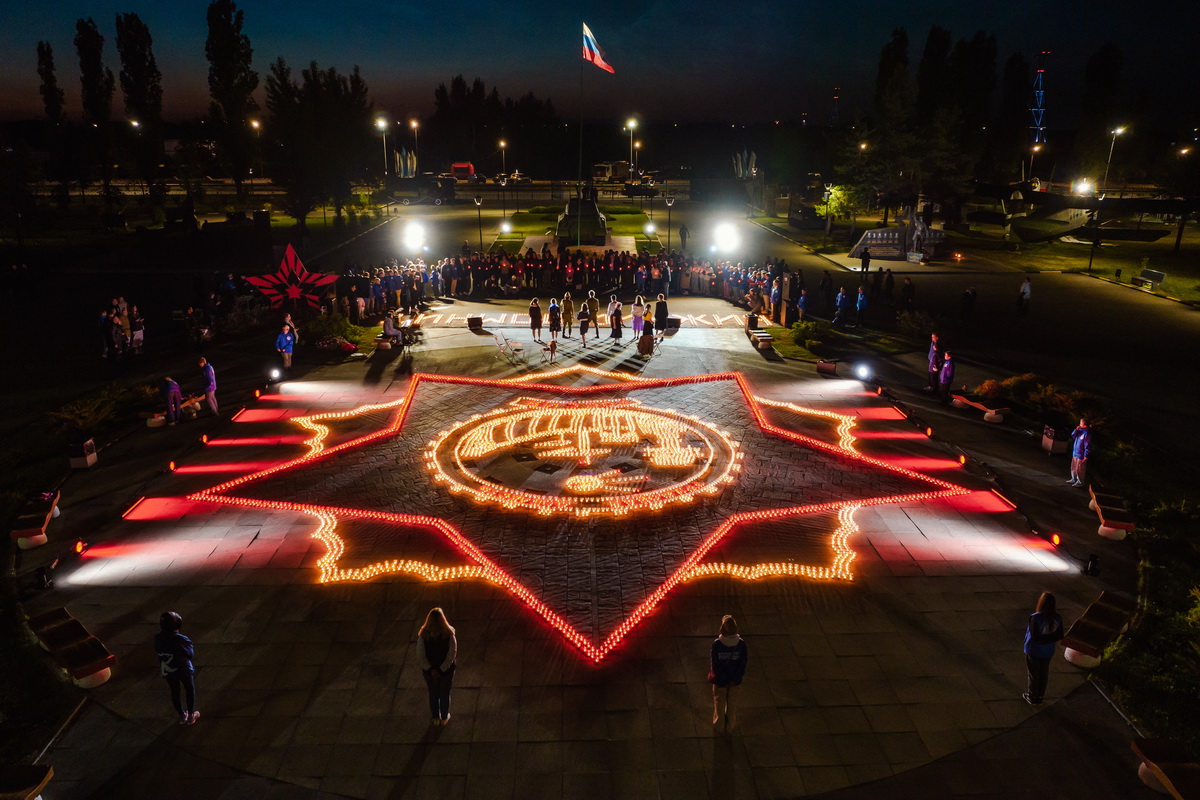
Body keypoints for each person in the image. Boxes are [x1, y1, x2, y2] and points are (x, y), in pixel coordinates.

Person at [155, 611, 198, 724]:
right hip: (183, 669)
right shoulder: (182, 639)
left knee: (175, 691)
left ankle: (181, 715)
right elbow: (189, 654)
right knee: (189, 689)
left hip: (168, 669)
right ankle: (190, 715)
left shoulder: (158, 638)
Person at [417, 607, 457, 725]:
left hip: (429, 673)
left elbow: (420, 655)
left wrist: (430, 669)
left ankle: (435, 717)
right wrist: (442, 668)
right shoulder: (448, 634)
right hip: (446, 671)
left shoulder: (423, 636)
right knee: (445, 693)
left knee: (433, 693)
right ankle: (444, 717)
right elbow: (452, 653)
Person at [1023, 592, 1064, 705]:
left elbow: (1034, 635)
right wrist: (1048, 641)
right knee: (1044, 672)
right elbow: (1060, 635)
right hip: (1048, 650)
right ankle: (1040, 695)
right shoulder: (1057, 617)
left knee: (1034, 673)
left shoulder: (1035, 617)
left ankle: (1032, 696)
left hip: (1034, 649)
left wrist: (1041, 641)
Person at [708, 615, 748, 731]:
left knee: (719, 704)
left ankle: (718, 726)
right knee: (732, 704)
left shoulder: (717, 644)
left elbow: (714, 663)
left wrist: (722, 677)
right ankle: (730, 726)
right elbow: (742, 663)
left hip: (720, 681)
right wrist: (735, 678)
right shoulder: (741, 644)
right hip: (734, 681)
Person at [1068, 419, 1091, 487]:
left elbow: (1087, 445)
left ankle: (1080, 482)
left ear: (1084, 424)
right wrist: (1076, 430)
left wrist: (1086, 455)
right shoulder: (1080, 431)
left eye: (1081, 422)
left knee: (1080, 469)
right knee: (1074, 467)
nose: (1080, 423)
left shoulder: (1086, 433)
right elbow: (1073, 435)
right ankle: (1074, 479)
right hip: (1075, 453)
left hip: (1081, 454)